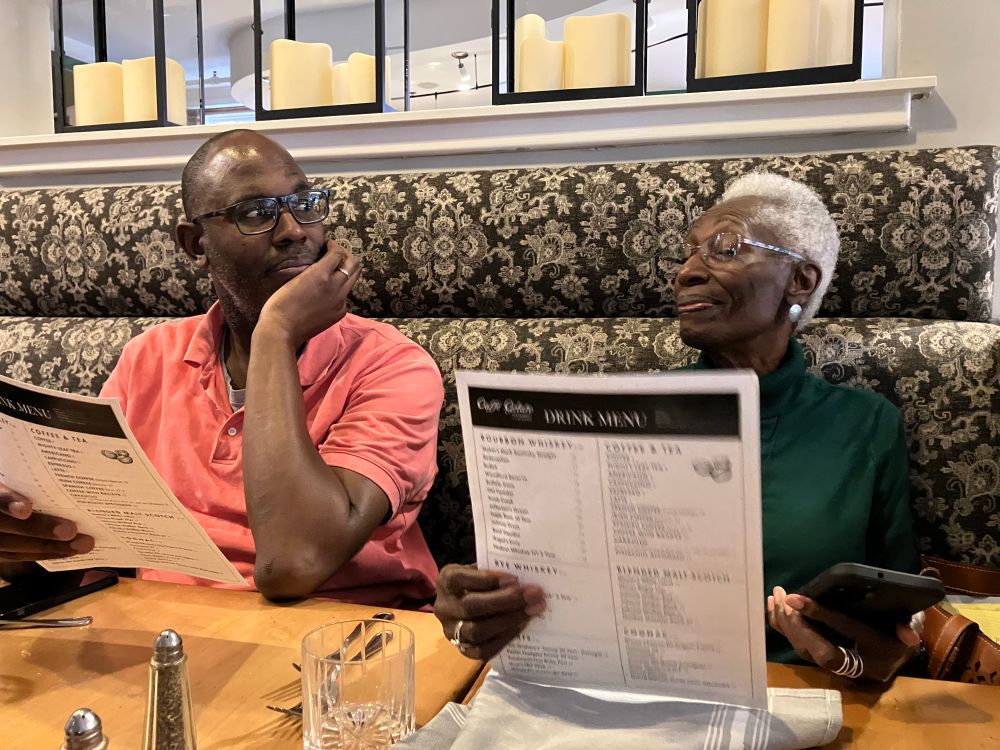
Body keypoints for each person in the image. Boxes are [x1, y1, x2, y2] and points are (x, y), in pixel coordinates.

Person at [434, 173, 922, 681]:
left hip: (799, 694)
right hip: (617, 693)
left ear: (799, 281)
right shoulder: (622, 414)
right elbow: (546, 567)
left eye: (724, 248)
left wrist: (867, 656)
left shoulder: (866, 425)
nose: (686, 273)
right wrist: (476, 610)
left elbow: (902, 620)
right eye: (687, 254)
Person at [0, 130, 444, 607]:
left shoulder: (393, 366)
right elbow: (87, 540)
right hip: (172, 629)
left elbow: (294, 563)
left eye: (304, 202)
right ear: (195, 243)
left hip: (345, 638)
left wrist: (276, 333)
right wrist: (21, 537)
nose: (295, 229)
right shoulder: (148, 358)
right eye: (255, 213)